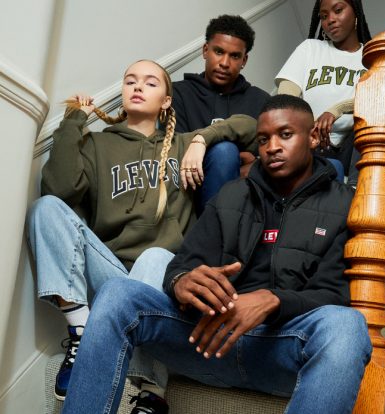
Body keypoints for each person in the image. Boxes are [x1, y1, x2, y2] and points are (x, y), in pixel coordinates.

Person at [61, 95, 372, 414]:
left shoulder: (345, 204)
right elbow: (183, 263)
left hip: (282, 350)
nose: (272, 147)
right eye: (263, 139)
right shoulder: (232, 195)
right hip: (208, 341)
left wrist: (274, 300)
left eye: (285, 135)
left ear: (314, 137)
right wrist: (181, 282)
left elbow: (334, 293)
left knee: (347, 326)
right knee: (117, 294)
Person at [27, 59, 257, 409]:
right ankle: (82, 332)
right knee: (45, 208)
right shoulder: (97, 145)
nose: (137, 87)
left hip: (164, 279)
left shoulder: (181, 145)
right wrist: (73, 121)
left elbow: (250, 127)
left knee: (155, 256)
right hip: (111, 275)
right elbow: (58, 189)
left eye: (150, 83)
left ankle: (148, 387)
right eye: (130, 81)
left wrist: (200, 139)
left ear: (166, 100)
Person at [173, 14, 270, 213]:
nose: (225, 63)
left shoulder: (261, 100)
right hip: (192, 195)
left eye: (235, 56)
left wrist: (256, 164)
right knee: (225, 152)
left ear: (244, 60)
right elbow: (176, 150)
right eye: (219, 52)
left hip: (248, 198)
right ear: (205, 50)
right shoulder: (178, 93)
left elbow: (271, 152)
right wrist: (230, 157)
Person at [274, 0, 371, 186]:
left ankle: (355, 190)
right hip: (311, 142)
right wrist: (308, 125)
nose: (330, 20)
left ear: (356, 12)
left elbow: (375, 100)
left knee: (371, 122)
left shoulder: (371, 56)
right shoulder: (310, 48)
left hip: (353, 145)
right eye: (324, 16)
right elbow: (285, 97)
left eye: (338, 10)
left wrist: (336, 110)